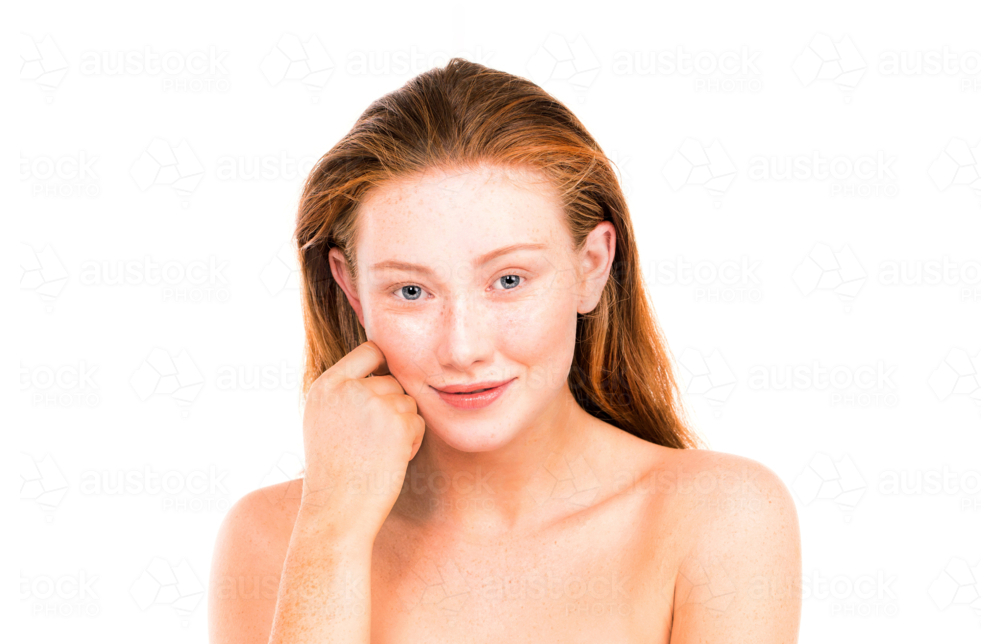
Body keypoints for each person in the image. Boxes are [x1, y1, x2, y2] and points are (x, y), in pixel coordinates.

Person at [208, 58, 802, 643]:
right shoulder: (275, 536)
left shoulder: (720, 518)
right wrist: (332, 534)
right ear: (352, 290)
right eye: (411, 291)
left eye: (510, 281)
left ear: (591, 266)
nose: (463, 347)